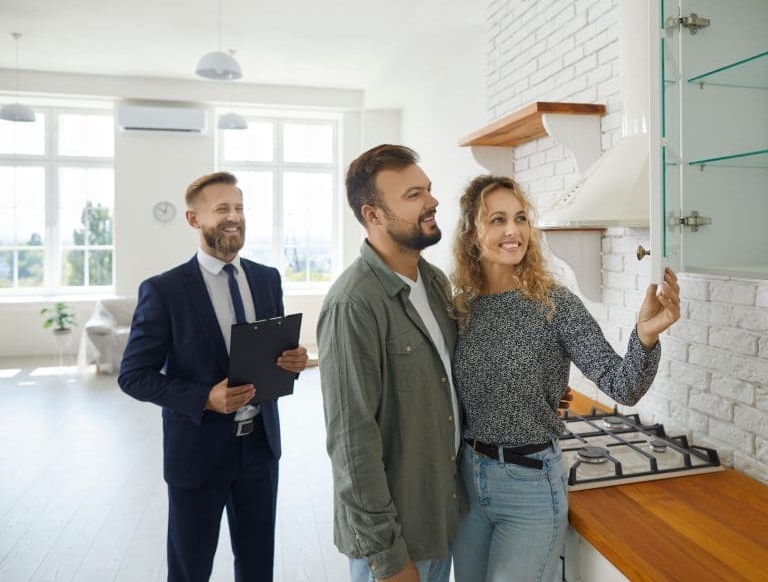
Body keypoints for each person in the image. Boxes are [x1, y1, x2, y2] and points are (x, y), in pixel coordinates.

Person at [450, 174, 681, 582]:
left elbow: (621, 384)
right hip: (468, 481)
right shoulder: (460, 309)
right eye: (497, 219)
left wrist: (645, 336)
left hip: (530, 488)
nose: (513, 231)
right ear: (471, 234)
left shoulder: (554, 303)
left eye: (520, 218)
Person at [118, 171, 308, 582]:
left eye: (239, 208)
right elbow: (133, 375)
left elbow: (270, 351)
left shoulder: (266, 278)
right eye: (221, 209)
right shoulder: (164, 290)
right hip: (197, 453)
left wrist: (293, 359)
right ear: (193, 219)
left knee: (258, 567)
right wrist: (205, 397)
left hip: (260, 448)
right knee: (190, 569)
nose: (233, 217)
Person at [317, 144, 462, 582]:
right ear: (373, 215)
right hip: (394, 543)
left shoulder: (434, 282)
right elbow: (350, 444)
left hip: (440, 517)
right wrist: (387, 556)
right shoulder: (353, 304)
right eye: (413, 195)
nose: (432, 201)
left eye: (429, 190)